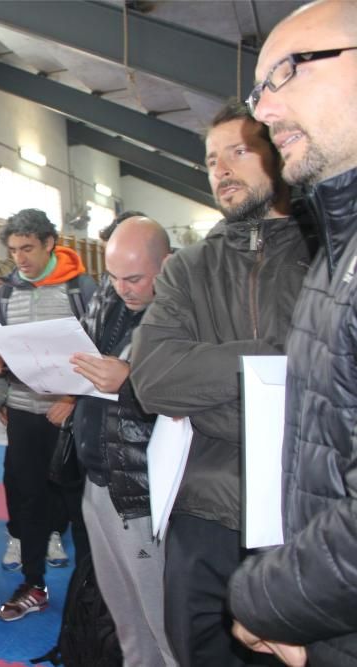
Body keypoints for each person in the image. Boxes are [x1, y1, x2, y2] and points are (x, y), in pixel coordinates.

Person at [129, 99, 315, 666]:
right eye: (212, 160)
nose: (221, 171)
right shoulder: (188, 268)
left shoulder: (328, 253)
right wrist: (278, 361)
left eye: (238, 152)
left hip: (306, 515)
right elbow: (155, 380)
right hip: (203, 513)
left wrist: (208, 395)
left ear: (279, 152)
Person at [228, 2, 357, 664]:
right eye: (258, 90)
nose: (265, 112)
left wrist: (262, 596)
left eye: (288, 72)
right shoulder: (334, 252)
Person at [69, 217, 177, 665]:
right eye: (113, 276)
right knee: (125, 618)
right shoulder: (108, 300)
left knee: (164, 624)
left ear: (166, 265)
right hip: (98, 475)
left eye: (133, 278)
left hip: (143, 489)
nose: (122, 288)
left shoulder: (185, 312)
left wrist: (129, 382)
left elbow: (199, 393)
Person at [0, 208, 96, 622]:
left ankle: (89, 592)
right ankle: (33, 584)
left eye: (27, 248)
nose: (20, 258)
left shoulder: (82, 288)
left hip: (70, 418)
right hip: (25, 413)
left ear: (50, 243)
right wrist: (1, 389)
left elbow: (101, 353)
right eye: (13, 250)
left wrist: (74, 399)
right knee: (25, 503)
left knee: (78, 507)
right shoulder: (4, 294)